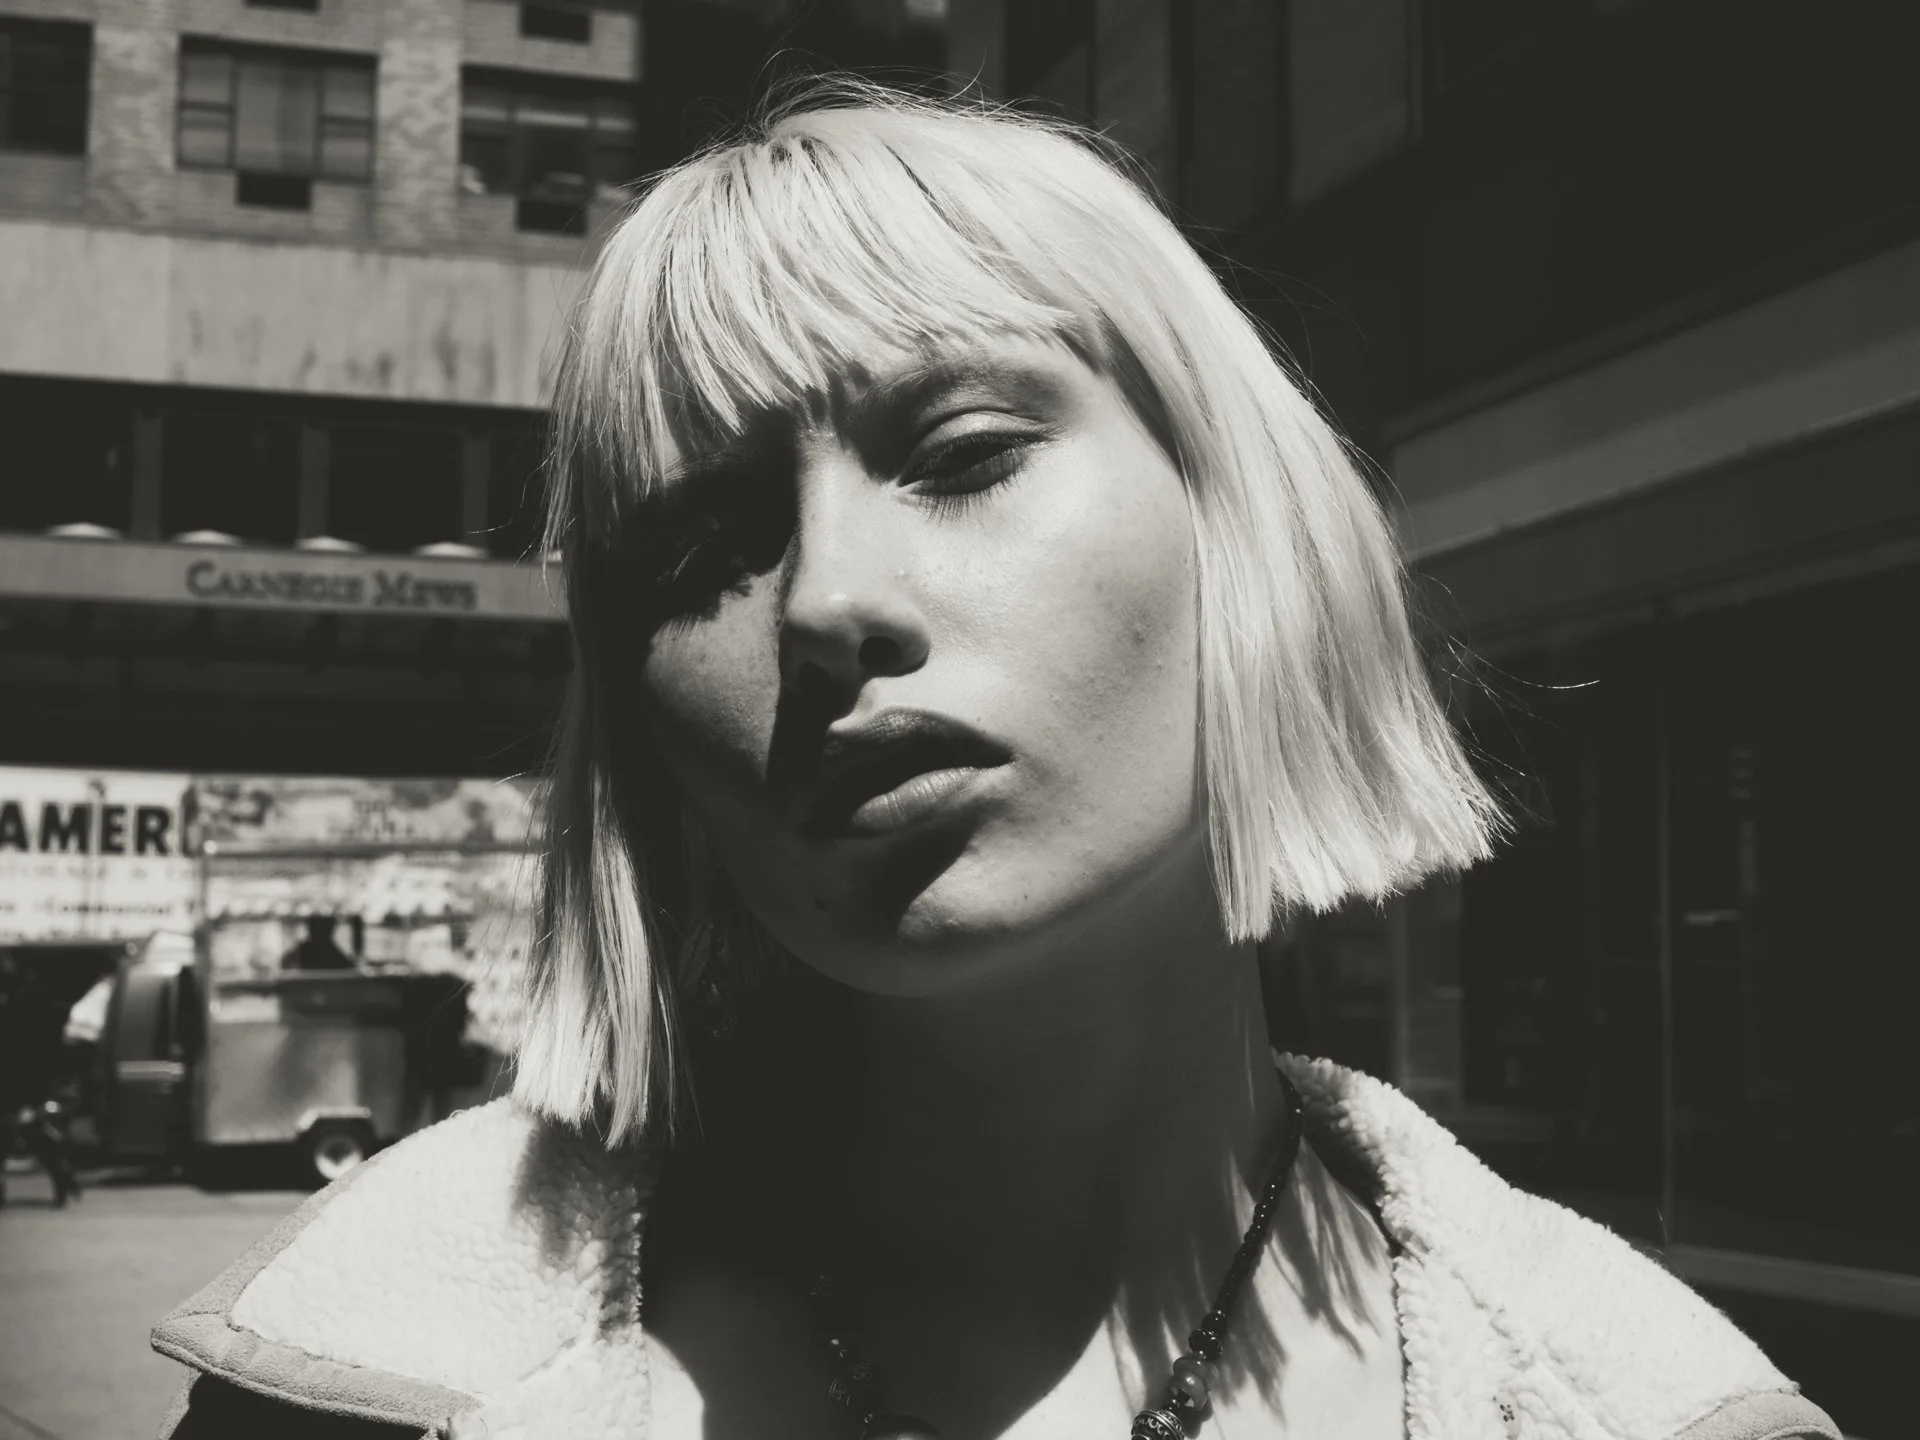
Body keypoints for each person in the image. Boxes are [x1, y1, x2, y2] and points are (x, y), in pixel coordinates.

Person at [150, 89, 1836, 1440]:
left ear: (1234, 518)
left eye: (960, 455)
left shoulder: (1634, 1398)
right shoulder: (362, 1369)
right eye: (693, 554)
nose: (828, 603)